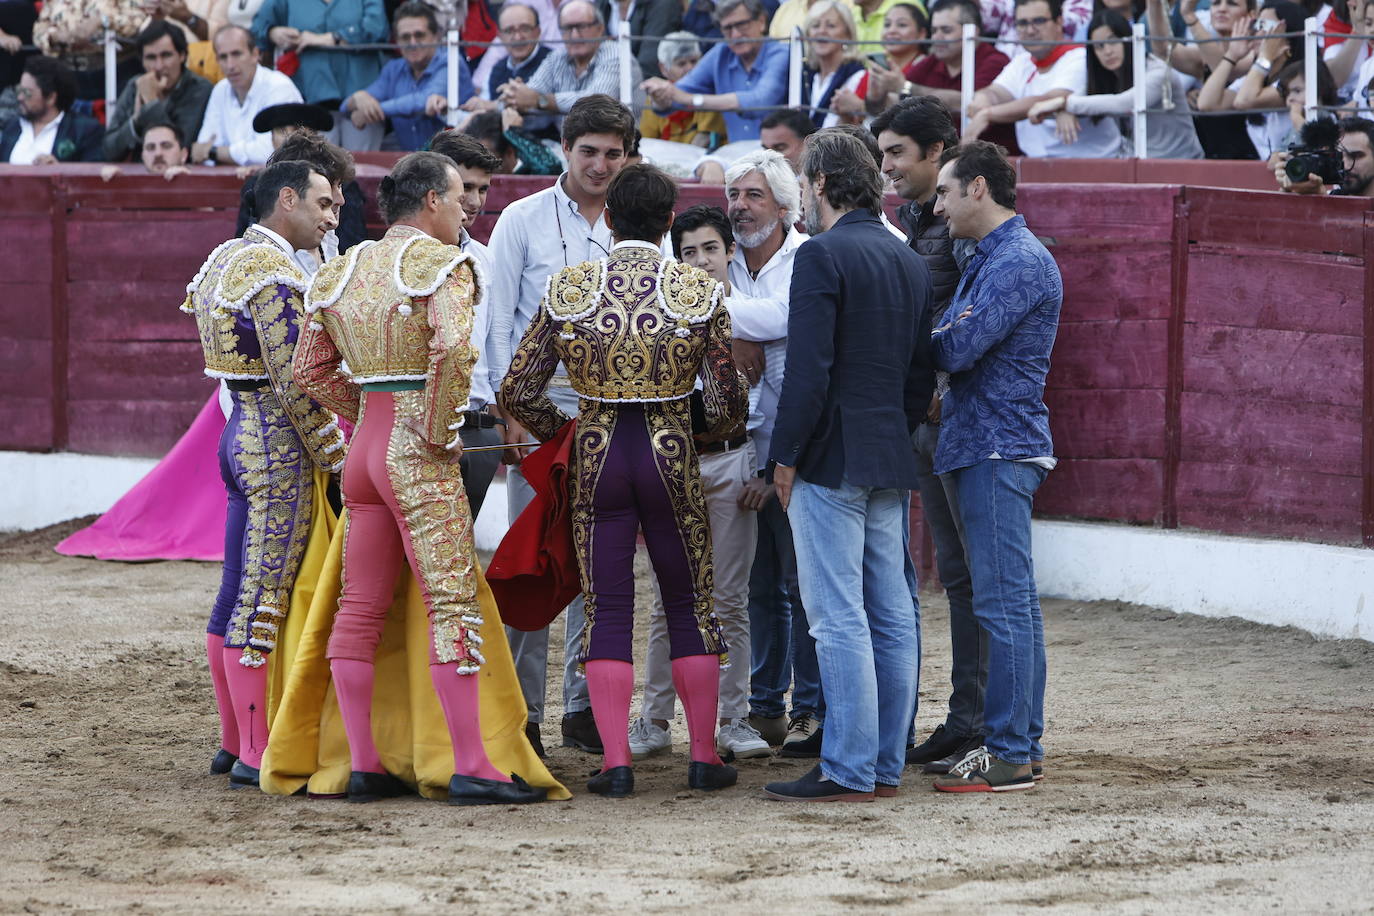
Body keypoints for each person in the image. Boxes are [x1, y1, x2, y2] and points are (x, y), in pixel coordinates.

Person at [290, 151, 549, 806]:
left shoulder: (340, 270)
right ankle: (470, 765)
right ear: (431, 200)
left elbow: (309, 373)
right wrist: (436, 432)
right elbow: (455, 350)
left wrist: (370, 416)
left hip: (364, 454)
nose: (466, 208)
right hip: (418, 450)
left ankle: (367, 765)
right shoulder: (445, 265)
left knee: (360, 605)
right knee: (452, 601)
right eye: (460, 196)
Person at [499, 164, 749, 797]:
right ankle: (701, 756)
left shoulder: (570, 287)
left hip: (599, 452)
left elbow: (517, 389)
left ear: (608, 220)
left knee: (608, 605)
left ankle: (614, 764)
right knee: (690, 601)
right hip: (670, 454)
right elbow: (726, 401)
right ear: (669, 222)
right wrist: (690, 425)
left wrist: (570, 432)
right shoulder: (696, 291)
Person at [762, 129, 932, 802]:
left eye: (808, 182)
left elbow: (808, 372)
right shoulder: (908, 259)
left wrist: (785, 455)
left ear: (823, 185)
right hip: (889, 449)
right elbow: (922, 373)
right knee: (890, 613)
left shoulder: (823, 256)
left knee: (837, 617)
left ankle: (849, 766)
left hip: (830, 454)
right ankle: (883, 764)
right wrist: (898, 428)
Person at [181, 159, 346, 789]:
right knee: (262, 595)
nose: (332, 220)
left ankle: (231, 741)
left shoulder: (224, 258)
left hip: (236, 432)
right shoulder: (274, 276)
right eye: (324, 205)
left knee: (235, 589)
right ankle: (254, 752)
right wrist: (335, 455)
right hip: (276, 443)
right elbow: (297, 382)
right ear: (287, 200)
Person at [485, 94, 636, 756]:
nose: (601, 165)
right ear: (565, 151)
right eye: (589, 152)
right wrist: (506, 409)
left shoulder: (632, 226)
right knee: (534, 561)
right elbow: (497, 320)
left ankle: (580, 705)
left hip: (612, 413)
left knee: (600, 567)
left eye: (613, 153)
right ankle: (525, 713)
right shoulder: (521, 220)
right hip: (543, 411)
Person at [929, 140, 1060, 793]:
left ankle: (1009, 752)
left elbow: (958, 343)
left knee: (1004, 604)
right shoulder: (993, 258)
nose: (939, 204)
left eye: (946, 191)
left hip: (996, 445)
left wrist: (909, 340)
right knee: (1010, 604)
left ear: (977, 188)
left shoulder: (1017, 261)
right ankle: (1020, 746)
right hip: (986, 442)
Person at [627, 204, 770, 762]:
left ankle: (733, 719)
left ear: (730, 250)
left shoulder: (756, 316)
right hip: (677, 462)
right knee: (669, 600)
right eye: (688, 252)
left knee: (730, 599)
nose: (701, 261)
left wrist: (764, 464)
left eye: (711, 248)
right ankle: (655, 718)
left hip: (735, 460)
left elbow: (774, 396)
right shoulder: (666, 316)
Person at [870, 95, 984, 774]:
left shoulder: (963, 224)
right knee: (956, 577)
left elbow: (974, 315)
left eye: (897, 154)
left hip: (954, 418)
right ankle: (964, 717)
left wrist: (938, 394)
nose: (887, 166)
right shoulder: (914, 221)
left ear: (936, 152)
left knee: (974, 577)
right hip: (927, 417)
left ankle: (978, 722)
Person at [717, 150, 823, 755]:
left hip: (797, 447)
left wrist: (728, 322)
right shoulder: (725, 262)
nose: (740, 205)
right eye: (735, 194)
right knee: (757, 588)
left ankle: (807, 706)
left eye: (753, 195)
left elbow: (790, 316)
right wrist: (738, 328)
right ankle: (764, 705)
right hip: (738, 449)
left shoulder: (805, 256)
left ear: (785, 207)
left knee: (801, 583)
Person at [428, 129, 508, 517]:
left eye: (483, 189)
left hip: (476, 427)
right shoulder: (399, 256)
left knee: (459, 557)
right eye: (466, 189)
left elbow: (495, 343)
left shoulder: (485, 258)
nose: (474, 202)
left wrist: (500, 419)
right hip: (418, 427)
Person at [1028, 8, 1204, 159]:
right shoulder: (1106, 76)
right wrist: (1064, 110)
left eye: (1113, 41)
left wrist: (1064, 103)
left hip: (1182, 165)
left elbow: (1126, 103)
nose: (1107, 51)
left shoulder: (1157, 71)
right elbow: (1081, 98)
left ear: (1128, 39)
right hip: (1137, 165)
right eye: (1099, 46)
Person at [966, 0, 1121, 158]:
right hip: (1038, 165)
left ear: (1059, 22)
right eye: (1022, 23)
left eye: (1039, 21)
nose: (1030, 30)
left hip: (1096, 165)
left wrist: (988, 114)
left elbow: (1051, 99)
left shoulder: (1080, 57)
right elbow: (996, 92)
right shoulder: (1022, 61)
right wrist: (982, 98)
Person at [641, 0, 791, 143]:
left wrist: (691, 99)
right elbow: (677, 93)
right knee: (708, 165)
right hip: (736, 158)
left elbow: (760, 102)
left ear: (761, 22)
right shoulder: (721, 54)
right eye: (727, 28)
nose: (735, 35)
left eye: (742, 25)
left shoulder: (780, 52)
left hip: (777, 159)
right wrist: (660, 97)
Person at [252, 0, 388, 150]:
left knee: (362, 167)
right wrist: (273, 32)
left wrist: (331, 38)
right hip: (311, 100)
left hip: (360, 101)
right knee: (319, 165)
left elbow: (377, 27)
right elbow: (257, 27)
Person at [343, 2, 467, 152]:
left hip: (453, 163)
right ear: (397, 41)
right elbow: (344, 107)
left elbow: (424, 100)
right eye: (405, 37)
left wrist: (372, 111)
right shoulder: (394, 69)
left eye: (419, 35)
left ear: (436, 36)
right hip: (411, 164)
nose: (412, 43)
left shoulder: (451, 62)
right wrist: (357, 98)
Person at [237, 129, 363, 272]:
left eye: (339, 185)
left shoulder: (327, 237)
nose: (341, 200)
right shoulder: (261, 261)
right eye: (326, 189)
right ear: (289, 198)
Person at [901, 0, 1016, 151]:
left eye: (946, 30)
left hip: (992, 161)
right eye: (934, 30)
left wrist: (905, 87)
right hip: (942, 158)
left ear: (972, 32)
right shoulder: (930, 63)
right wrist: (878, 92)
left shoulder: (995, 61)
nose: (937, 37)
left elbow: (968, 103)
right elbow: (891, 103)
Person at [500, 1, 643, 121]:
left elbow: (596, 102)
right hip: (567, 147)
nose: (574, 35)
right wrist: (513, 96)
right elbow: (529, 94)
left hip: (620, 148)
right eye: (568, 28)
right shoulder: (557, 57)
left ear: (600, 29)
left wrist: (540, 101)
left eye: (581, 26)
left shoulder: (615, 54)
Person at [102, 20, 213, 163]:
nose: (159, 66)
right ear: (142, 61)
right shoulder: (135, 86)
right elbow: (108, 150)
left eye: (166, 56)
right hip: (141, 176)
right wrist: (136, 121)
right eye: (151, 58)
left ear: (182, 56)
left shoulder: (199, 88)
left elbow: (180, 148)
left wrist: (151, 102)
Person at [194, 25, 303, 166]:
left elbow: (271, 152)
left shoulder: (279, 86)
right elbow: (200, 150)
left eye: (236, 54)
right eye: (223, 57)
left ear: (255, 54)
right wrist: (211, 152)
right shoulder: (220, 89)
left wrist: (213, 152)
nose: (230, 65)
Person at [462, 3, 553, 132]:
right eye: (509, 31)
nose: (517, 37)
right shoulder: (497, 69)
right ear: (499, 36)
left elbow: (544, 119)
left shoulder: (553, 61)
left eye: (525, 29)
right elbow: (483, 105)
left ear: (538, 31)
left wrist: (495, 106)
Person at [1, 56, 103, 164]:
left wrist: (59, 171)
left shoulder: (83, 130)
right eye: (19, 90)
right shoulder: (12, 126)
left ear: (50, 98)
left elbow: (93, 175)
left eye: (27, 93)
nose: (20, 97)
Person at [639, 32, 729, 145]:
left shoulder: (709, 91)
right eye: (681, 64)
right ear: (663, 69)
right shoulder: (657, 96)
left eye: (694, 61)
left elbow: (703, 141)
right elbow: (647, 142)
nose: (690, 68)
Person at [801, 0, 868, 128]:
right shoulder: (805, 77)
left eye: (831, 26)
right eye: (815, 26)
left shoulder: (860, 77)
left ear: (847, 35)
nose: (821, 31)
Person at [857, 2, 930, 115]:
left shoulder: (928, 68)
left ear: (921, 33)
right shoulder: (876, 68)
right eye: (887, 25)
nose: (891, 30)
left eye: (902, 25)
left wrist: (858, 107)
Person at [1275, 116, 1374, 195]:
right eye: (1338, 156)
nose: (1346, 166)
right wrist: (1288, 191)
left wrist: (1323, 201)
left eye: (1355, 156)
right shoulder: (1330, 196)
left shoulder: (1326, 196)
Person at [597, 0, 683, 79]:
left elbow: (649, 65)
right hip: (604, 83)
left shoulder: (663, 4)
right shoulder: (600, 5)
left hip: (642, 88)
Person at [100, 120, 194, 180]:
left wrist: (189, 185)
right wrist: (114, 187)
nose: (158, 153)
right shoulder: (133, 189)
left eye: (166, 146)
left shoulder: (196, 185)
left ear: (184, 155)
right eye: (150, 148)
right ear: (143, 156)